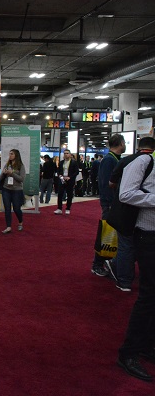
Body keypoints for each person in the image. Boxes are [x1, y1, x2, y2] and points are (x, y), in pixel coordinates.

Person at [116, 150, 155, 382]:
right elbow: (126, 194)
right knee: (148, 296)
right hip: (148, 237)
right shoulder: (143, 161)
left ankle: (146, 345)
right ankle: (128, 353)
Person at [106, 136, 155, 291]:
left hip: (132, 214)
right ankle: (124, 278)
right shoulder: (140, 162)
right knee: (126, 246)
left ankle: (120, 272)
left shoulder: (125, 160)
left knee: (129, 246)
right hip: (127, 213)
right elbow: (114, 187)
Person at [90, 134, 126, 277]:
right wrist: (109, 204)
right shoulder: (109, 160)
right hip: (110, 204)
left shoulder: (115, 159)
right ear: (121, 143)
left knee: (112, 235)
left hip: (115, 203)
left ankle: (108, 262)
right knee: (106, 234)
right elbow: (105, 183)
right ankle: (97, 264)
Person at [0, 149, 26, 234]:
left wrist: (12, 173)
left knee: (16, 208)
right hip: (6, 189)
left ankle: (20, 221)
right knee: (7, 208)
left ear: (16, 155)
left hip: (16, 190)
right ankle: (8, 227)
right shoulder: (7, 164)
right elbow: (1, 177)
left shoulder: (21, 166)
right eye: (9, 154)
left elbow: (21, 179)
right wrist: (3, 173)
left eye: (12, 154)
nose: (10, 155)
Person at [54, 149, 79, 215]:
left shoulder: (74, 162)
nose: (66, 154)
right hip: (62, 180)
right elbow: (58, 170)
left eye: (67, 153)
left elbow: (76, 172)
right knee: (60, 194)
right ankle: (59, 208)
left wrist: (70, 177)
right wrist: (60, 176)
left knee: (69, 195)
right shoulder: (61, 162)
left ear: (70, 154)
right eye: (64, 153)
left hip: (70, 180)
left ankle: (68, 208)